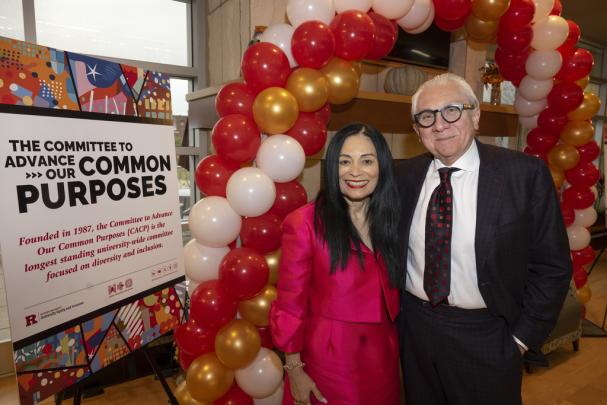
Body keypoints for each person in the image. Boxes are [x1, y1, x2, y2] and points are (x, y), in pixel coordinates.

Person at [396, 72, 572, 405]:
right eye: (426, 116)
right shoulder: (403, 176)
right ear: (417, 130)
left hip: (487, 335)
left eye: (452, 111)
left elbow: (552, 266)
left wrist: (520, 340)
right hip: (415, 328)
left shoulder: (523, 175)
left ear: (475, 116)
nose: (439, 124)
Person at [270, 123, 403, 405]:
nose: (355, 171)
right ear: (332, 167)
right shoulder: (305, 223)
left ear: (382, 167)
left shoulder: (392, 219)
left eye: (367, 161)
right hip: (329, 361)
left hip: (384, 358)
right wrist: (294, 371)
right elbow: (289, 305)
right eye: (345, 161)